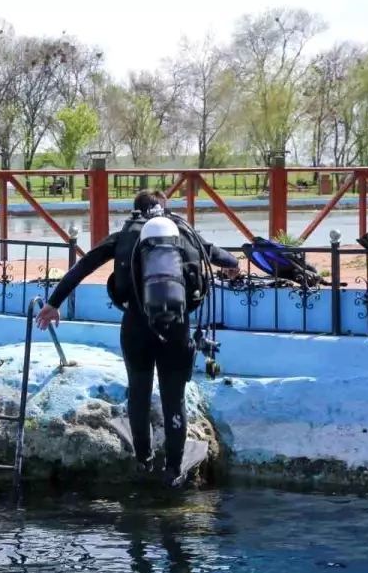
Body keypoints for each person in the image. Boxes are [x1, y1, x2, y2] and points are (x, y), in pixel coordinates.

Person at [35, 189, 240, 487]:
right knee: (174, 399)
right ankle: (173, 470)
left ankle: (143, 461)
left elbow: (83, 266)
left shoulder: (126, 235)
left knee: (140, 393)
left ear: (136, 211)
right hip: (177, 327)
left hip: (136, 327)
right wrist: (233, 265)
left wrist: (53, 304)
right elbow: (224, 258)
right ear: (165, 209)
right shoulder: (183, 232)